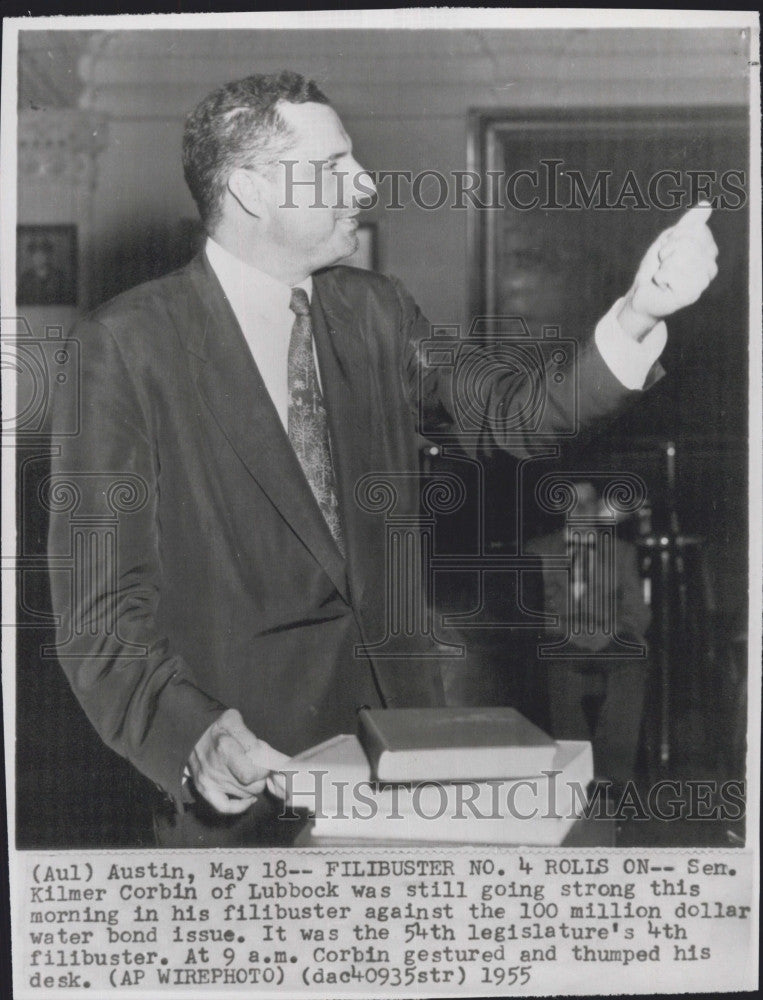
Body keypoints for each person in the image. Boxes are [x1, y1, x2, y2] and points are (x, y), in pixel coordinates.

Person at [47, 71, 718, 846]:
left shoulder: (376, 311)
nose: (363, 182)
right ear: (252, 191)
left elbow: (516, 412)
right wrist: (195, 739)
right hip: (246, 793)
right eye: (333, 166)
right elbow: (100, 622)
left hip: (408, 765)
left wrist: (640, 313)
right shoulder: (124, 349)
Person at [526, 481, 652, 785]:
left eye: (588, 502)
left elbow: (639, 611)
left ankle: (611, 774)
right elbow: (528, 611)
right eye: (573, 502)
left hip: (610, 638)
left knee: (633, 663)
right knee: (558, 670)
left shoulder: (622, 552)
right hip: (559, 639)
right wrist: (566, 629)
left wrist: (612, 630)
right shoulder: (538, 552)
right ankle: (575, 774)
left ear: (598, 508)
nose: (580, 510)